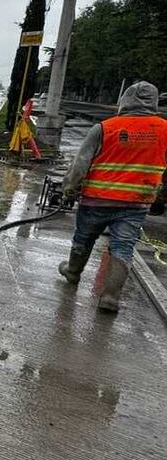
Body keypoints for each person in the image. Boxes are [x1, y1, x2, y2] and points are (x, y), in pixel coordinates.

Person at [58, 81, 167, 312]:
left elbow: (81, 163)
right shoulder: (164, 130)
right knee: (123, 247)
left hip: (97, 198)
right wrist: (161, 197)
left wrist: (68, 188)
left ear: (125, 100)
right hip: (137, 202)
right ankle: (110, 297)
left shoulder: (105, 127)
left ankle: (73, 272)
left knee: (84, 239)